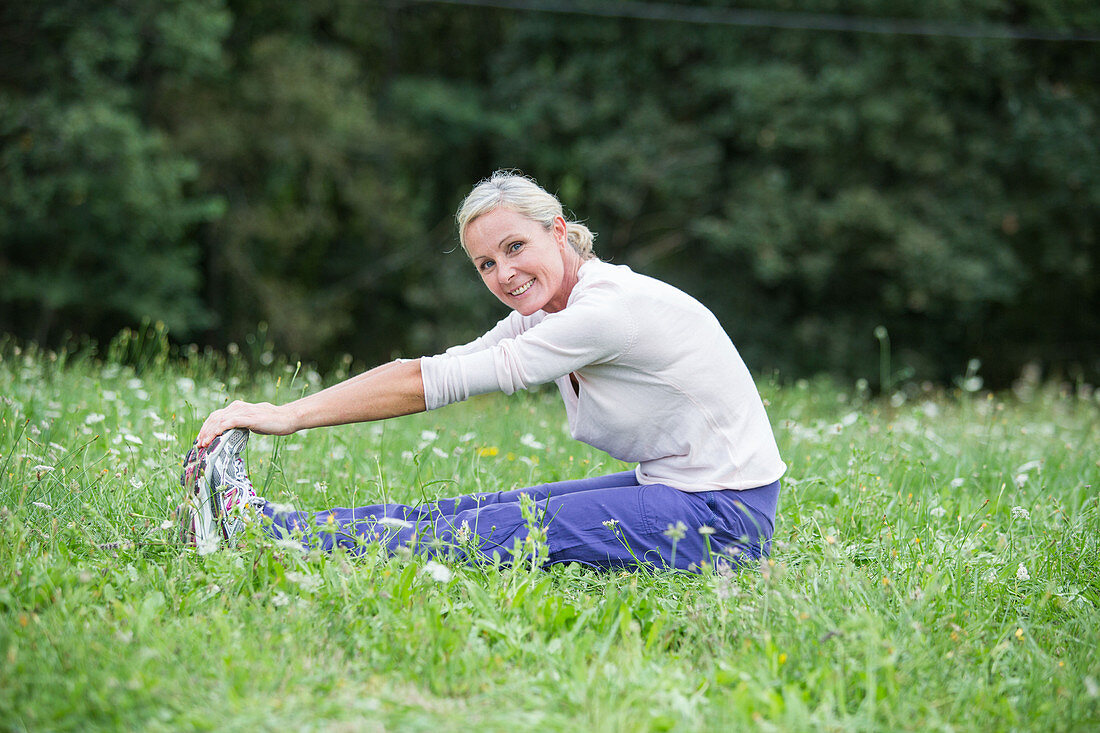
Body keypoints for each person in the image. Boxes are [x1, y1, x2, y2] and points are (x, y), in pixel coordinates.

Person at [179, 170, 785, 571]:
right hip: (681, 489)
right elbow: (446, 364)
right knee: (483, 509)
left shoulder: (605, 310)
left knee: (495, 531)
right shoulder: (553, 307)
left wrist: (285, 416)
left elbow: (438, 385)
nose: (504, 275)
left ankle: (268, 541)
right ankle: (272, 526)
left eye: (515, 248)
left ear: (557, 232)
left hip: (724, 518)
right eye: (486, 264)